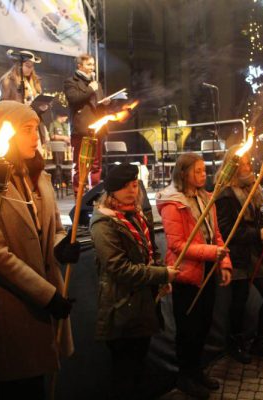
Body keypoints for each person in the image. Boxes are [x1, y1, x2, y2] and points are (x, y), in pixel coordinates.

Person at [0, 100, 78, 398]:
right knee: (20, 388)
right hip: (17, 305)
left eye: (36, 129)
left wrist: (62, 245)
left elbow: (53, 228)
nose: (36, 137)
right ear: (8, 132)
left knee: (41, 384)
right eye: (27, 130)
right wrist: (47, 294)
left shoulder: (40, 177)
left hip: (47, 301)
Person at [90, 163, 178, 400]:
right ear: (112, 191)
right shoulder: (104, 223)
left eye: (134, 185)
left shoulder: (136, 214)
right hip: (121, 308)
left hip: (143, 304)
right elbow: (119, 268)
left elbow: (150, 250)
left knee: (138, 364)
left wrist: (160, 272)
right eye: (125, 186)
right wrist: (161, 274)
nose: (132, 190)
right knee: (125, 373)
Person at [156, 153, 232, 400]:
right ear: (184, 173)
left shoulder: (207, 198)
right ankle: (185, 376)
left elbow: (216, 234)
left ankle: (197, 371)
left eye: (204, 170)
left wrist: (224, 263)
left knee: (204, 325)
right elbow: (177, 244)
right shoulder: (173, 203)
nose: (204, 175)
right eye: (198, 171)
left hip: (208, 269)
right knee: (188, 329)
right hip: (186, 274)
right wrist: (212, 253)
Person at [215, 146, 263, 363]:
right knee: (239, 302)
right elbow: (227, 231)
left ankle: (260, 342)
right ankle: (235, 344)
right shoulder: (225, 194)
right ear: (233, 168)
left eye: (248, 161)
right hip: (238, 255)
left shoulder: (254, 189)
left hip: (255, 253)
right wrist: (257, 234)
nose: (248, 166)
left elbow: (261, 216)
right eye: (242, 163)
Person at [63, 53, 110, 195]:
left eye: (93, 64)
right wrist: (91, 89)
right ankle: (78, 195)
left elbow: (98, 104)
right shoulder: (71, 82)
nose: (92, 67)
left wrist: (105, 103)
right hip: (81, 129)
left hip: (98, 128)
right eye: (89, 64)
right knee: (80, 165)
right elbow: (74, 99)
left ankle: (94, 193)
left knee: (96, 165)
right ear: (80, 66)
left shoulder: (96, 84)